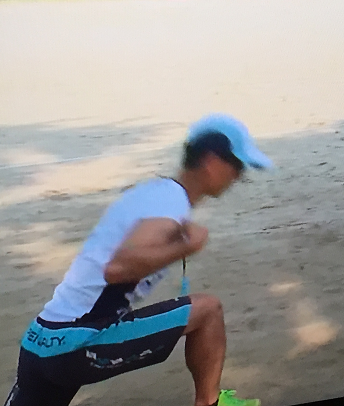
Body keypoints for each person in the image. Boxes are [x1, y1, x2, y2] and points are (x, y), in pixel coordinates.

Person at [4, 114, 272, 406]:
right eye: (237, 166)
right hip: (76, 344)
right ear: (211, 161)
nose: (239, 176)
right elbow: (117, 268)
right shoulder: (170, 203)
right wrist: (186, 247)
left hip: (39, 343)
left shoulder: (154, 194)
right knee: (208, 310)